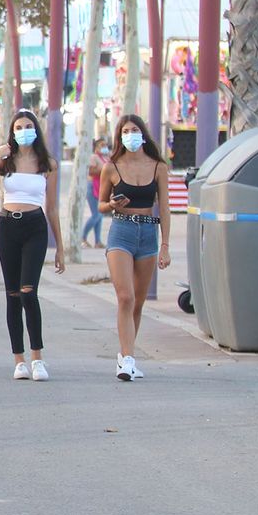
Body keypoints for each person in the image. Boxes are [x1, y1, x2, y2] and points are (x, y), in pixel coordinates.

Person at [0, 109, 63, 382]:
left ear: (36, 129)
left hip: (35, 226)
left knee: (28, 292)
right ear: (12, 132)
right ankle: (19, 359)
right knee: (12, 294)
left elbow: (52, 208)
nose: (24, 130)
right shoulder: (5, 161)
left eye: (28, 125)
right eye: (18, 127)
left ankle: (37, 357)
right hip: (8, 226)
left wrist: (59, 246)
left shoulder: (47, 163)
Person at [97, 114, 171, 382]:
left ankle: (126, 356)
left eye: (135, 130)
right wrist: (112, 205)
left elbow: (164, 207)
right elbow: (101, 205)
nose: (131, 135)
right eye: (125, 131)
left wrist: (165, 245)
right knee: (125, 297)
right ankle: (127, 361)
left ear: (143, 133)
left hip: (148, 233)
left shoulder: (158, 167)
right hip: (121, 231)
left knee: (138, 302)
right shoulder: (112, 167)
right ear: (120, 137)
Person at [82, 137, 110, 248]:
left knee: (100, 216)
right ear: (96, 147)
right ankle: (82, 237)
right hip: (92, 186)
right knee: (96, 214)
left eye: (105, 145)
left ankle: (97, 241)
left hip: (102, 187)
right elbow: (90, 171)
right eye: (102, 145)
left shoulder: (106, 157)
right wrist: (104, 171)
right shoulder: (93, 157)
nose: (104, 147)